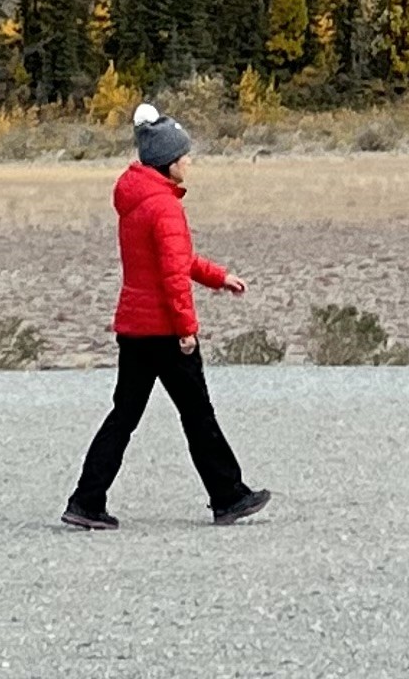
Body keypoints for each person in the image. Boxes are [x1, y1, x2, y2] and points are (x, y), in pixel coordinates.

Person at [62, 103, 272, 530]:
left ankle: (86, 500)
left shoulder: (137, 200)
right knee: (198, 414)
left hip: (134, 328)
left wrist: (218, 277)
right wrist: (186, 331)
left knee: (123, 416)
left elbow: (178, 259)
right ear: (169, 162)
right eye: (185, 156)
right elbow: (174, 275)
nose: (189, 162)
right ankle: (228, 495)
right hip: (162, 330)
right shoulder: (165, 208)